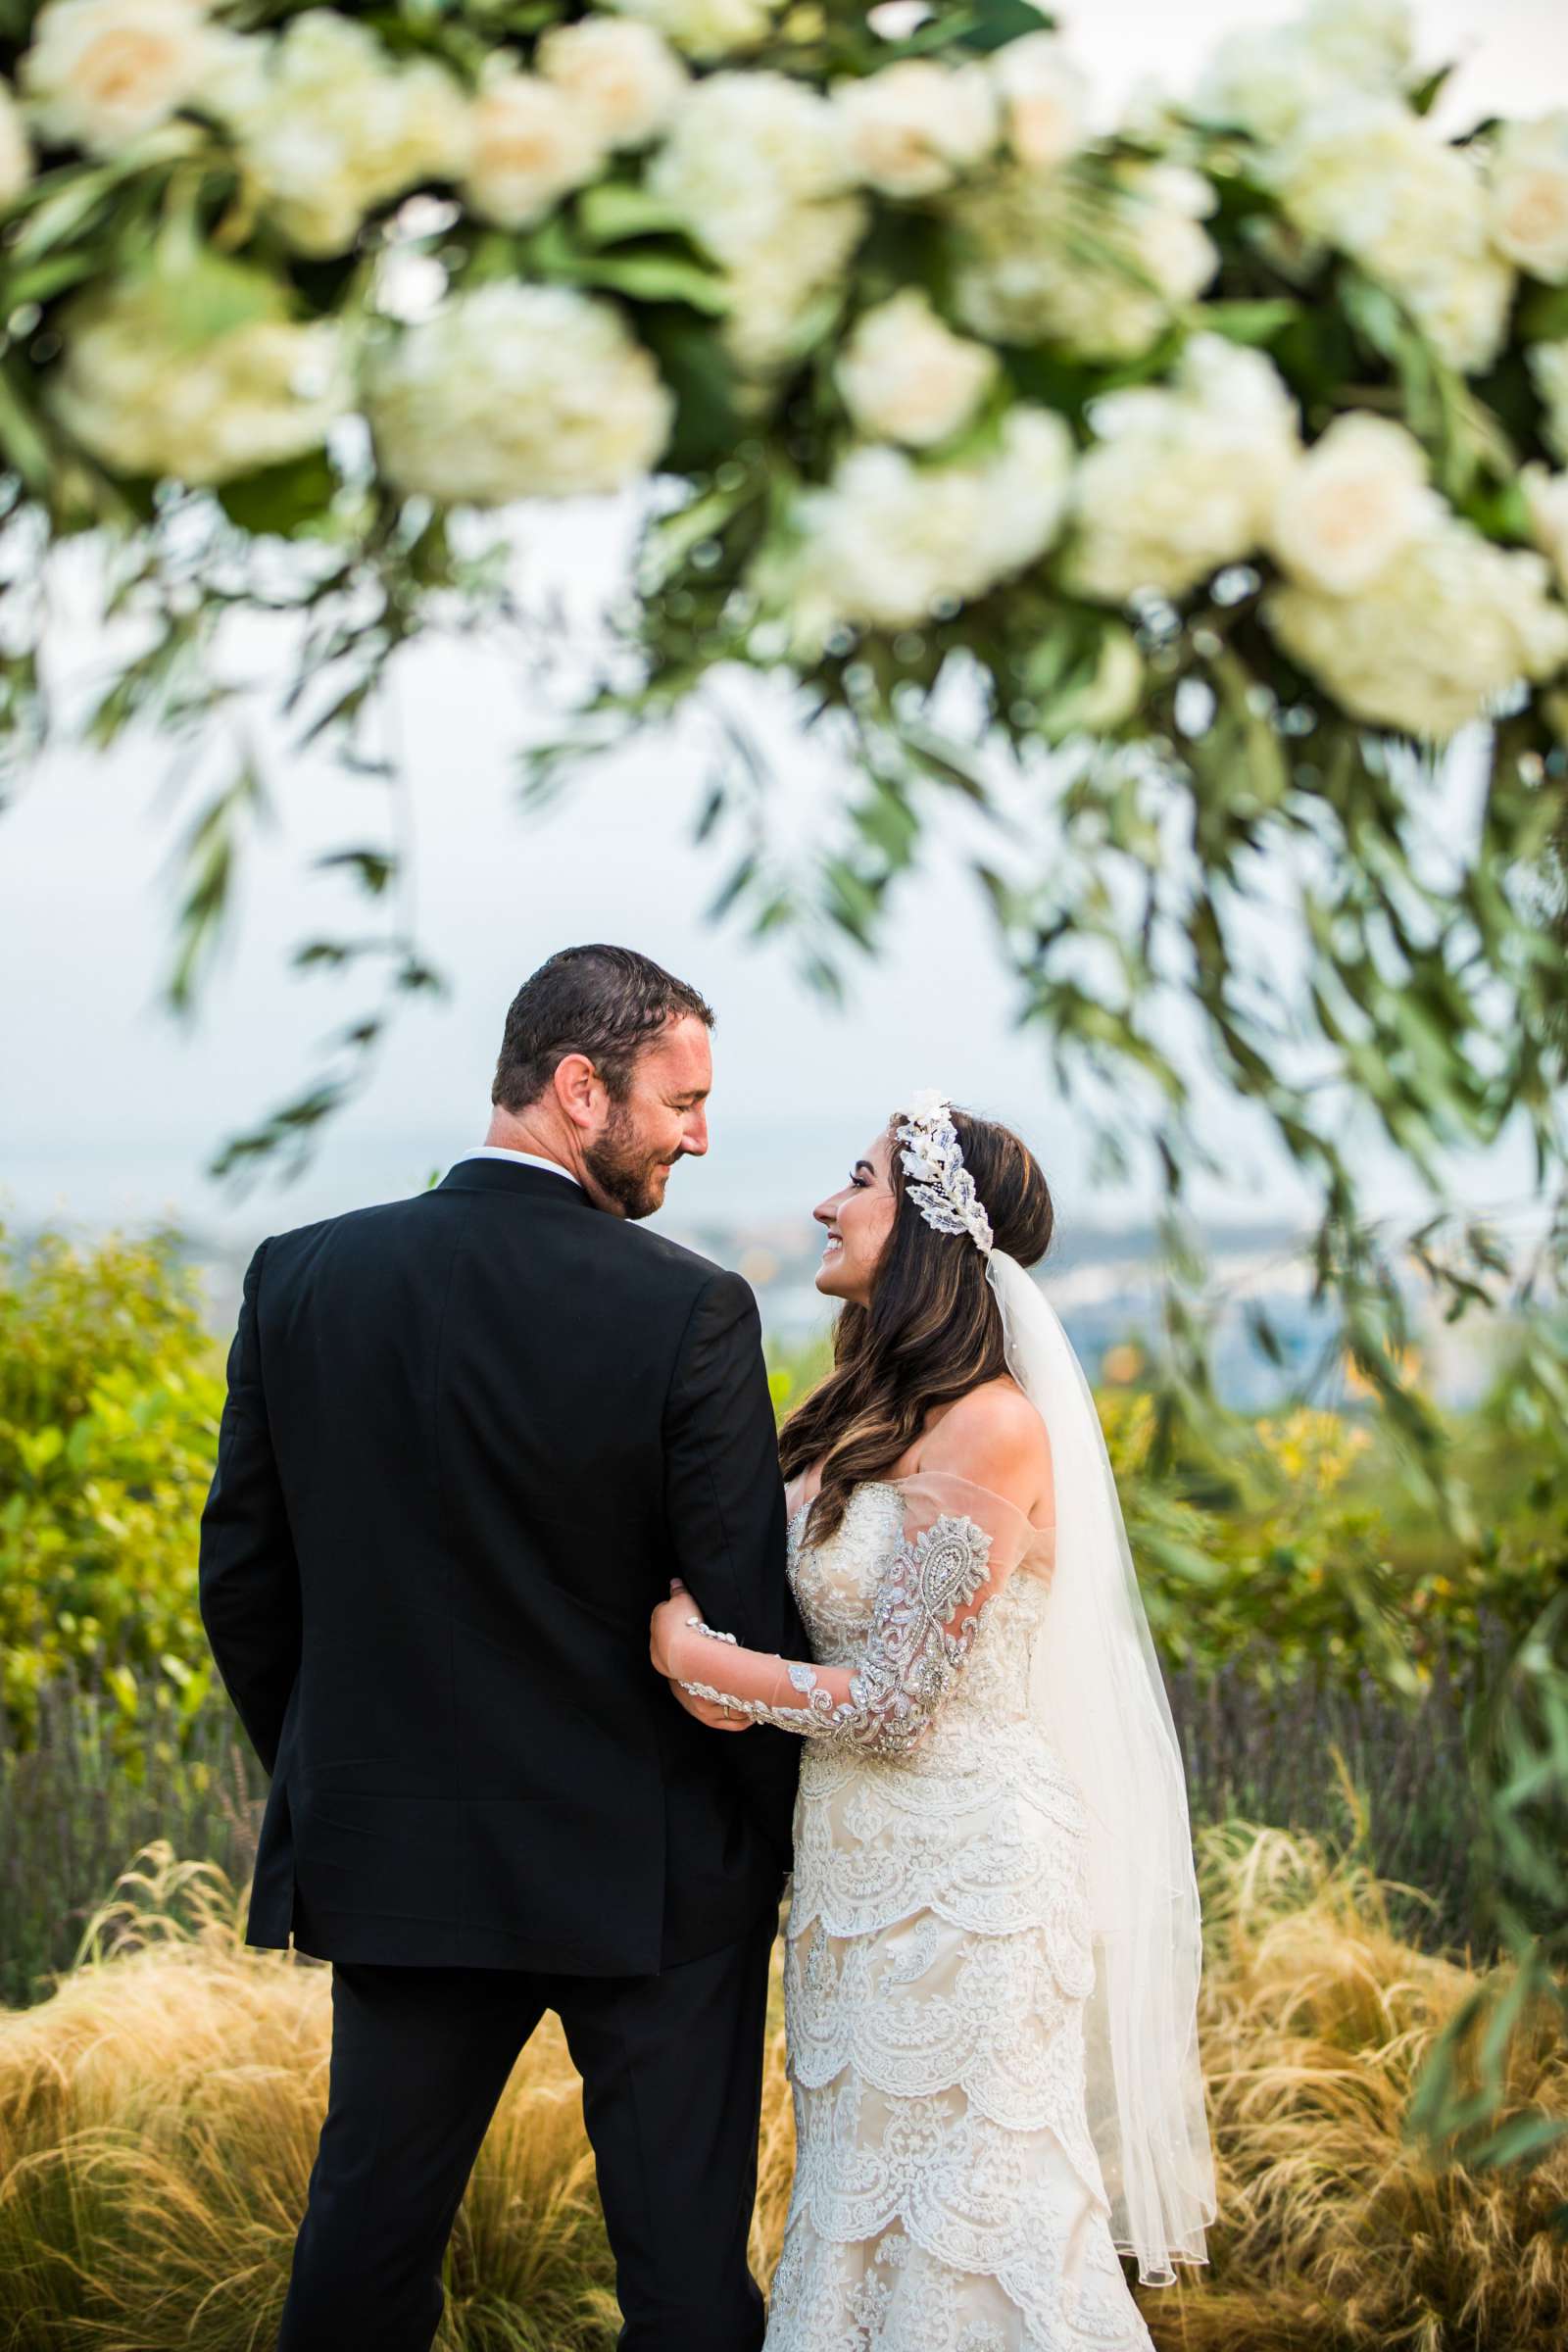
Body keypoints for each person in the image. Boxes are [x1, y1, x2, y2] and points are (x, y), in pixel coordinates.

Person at [199, 943, 803, 2352]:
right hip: (651, 1887)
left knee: (360, 2260)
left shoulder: (302, 1279)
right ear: (579, 1087)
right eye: (682, 1100)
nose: (700, 1137)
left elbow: (244, 1585)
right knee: (685, 2286)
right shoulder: (691, 1309)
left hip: (404, 1861)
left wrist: (349, 1782)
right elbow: (736, 1620)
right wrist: (762, 1855)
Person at [652, 1096, 1217, 2350]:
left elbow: (902, 1701)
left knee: (973, 2212)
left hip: (970, 1885)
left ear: (925, 1237)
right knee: (859, 2205)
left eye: (855, 1180)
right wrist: (725, 1653)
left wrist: (702, 1659)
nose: (823, 1203)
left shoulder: (994, 1427)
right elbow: (817, 1639)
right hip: (853, 1876)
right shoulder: (853, 1413)